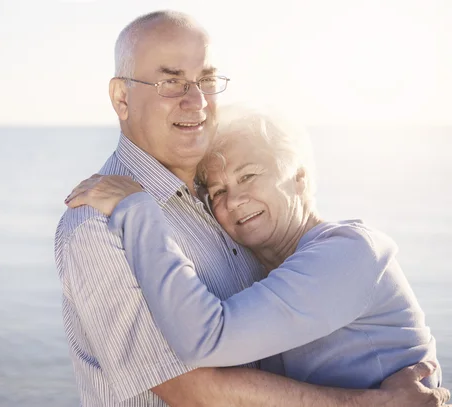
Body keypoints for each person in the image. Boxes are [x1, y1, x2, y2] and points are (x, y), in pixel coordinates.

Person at [55, 9, 450, 406]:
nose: (196, 101)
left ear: (299, 177)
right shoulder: (99, 224)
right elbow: (191, 391)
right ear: (122, 97)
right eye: (171, 82)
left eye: (206, 80)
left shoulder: (228, 217)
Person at [65, 104, 443, 391]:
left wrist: (139, 210)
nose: (234, 200)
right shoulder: (267, 270)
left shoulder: (349, 253)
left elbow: (206, 339)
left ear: (298, 178)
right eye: (218, 192)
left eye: (249, 176)